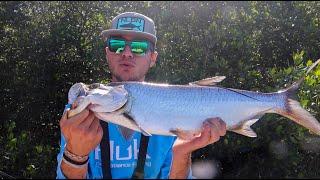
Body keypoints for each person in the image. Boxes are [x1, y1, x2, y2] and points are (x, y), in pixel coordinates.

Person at [56, 12, 227, 179]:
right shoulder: (79, 114)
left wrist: (182, 152)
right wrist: (75, 155)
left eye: (139, 47)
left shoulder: (174, 109)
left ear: (153, 58)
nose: (127, 53)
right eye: (117, 45)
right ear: (107, 53)